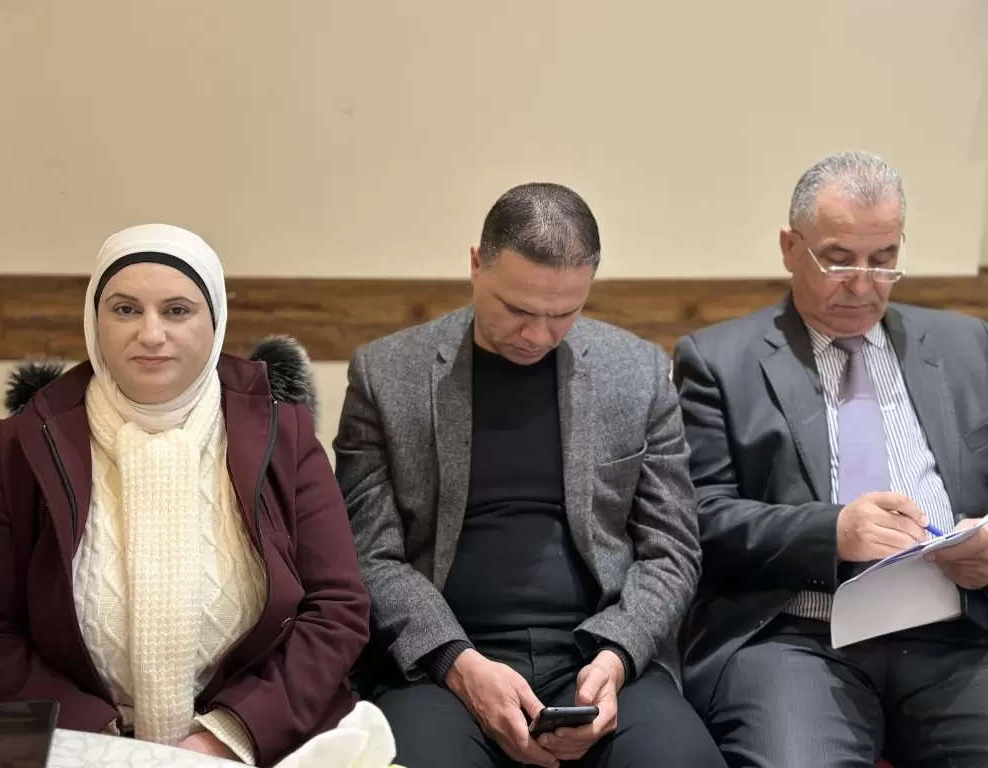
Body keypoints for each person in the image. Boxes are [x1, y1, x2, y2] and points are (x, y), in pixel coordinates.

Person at [334, 182, 724, 768]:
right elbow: (368, 554)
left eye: (564, 313)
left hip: (597, 654)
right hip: (441, 663)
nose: (538, 335)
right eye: (516, 309)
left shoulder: (637, 372)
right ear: (476, 265)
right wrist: (458, 663)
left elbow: (671, 549)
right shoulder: (387, 375)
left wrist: (618, 656)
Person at [0, 224, 370, 768]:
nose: (151, 334)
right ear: (94, 320)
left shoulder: (283, 434)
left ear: (215, 320)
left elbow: (338, 611)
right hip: (71, 744)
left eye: (177, 310)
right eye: (125, 310)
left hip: (256, 743)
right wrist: (101, 743)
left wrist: (223, 738)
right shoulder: (23, 442)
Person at [674, 151, 988, 767]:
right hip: (796, 639)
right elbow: (698, 519)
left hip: (956, 631)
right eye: (839, 260)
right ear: (790, 248)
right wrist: (833, 531)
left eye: (884, 259)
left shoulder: (967, 345)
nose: (864, 284)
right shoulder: (718, 362)